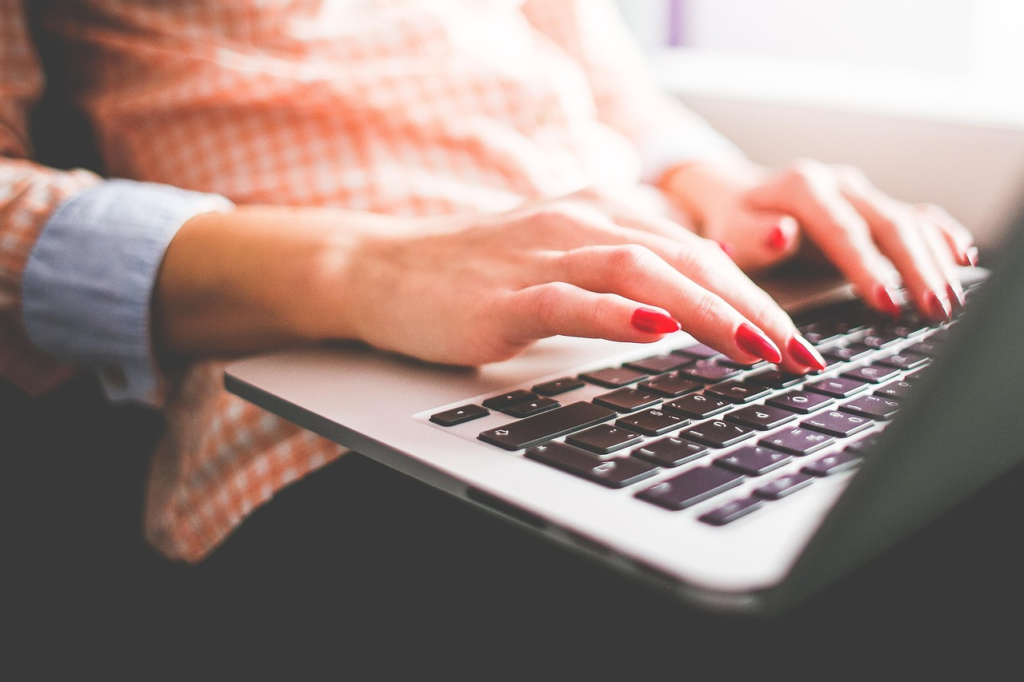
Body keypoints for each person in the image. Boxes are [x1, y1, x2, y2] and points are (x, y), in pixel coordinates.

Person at [1, 0, 976, 641]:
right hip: (342, 405)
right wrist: (365, 264)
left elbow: (603, 85)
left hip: (683, 311)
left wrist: (722, 185)